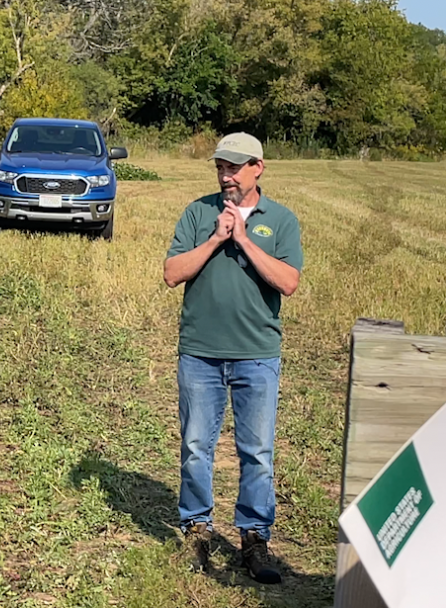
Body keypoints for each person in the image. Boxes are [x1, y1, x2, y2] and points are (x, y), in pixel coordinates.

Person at [162, 133, 304, 584]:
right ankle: (197, 532)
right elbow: (172, 273)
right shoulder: (198, 212)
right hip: (200, 352)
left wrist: (242, 239)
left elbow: (288, 282)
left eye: (235, 167)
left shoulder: (280, 220)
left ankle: (254, 540)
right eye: (221, 167)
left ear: (258, 167)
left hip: (256, 355)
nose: (226, 175)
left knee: (257, 453)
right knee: (195, 447)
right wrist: (215, 240)